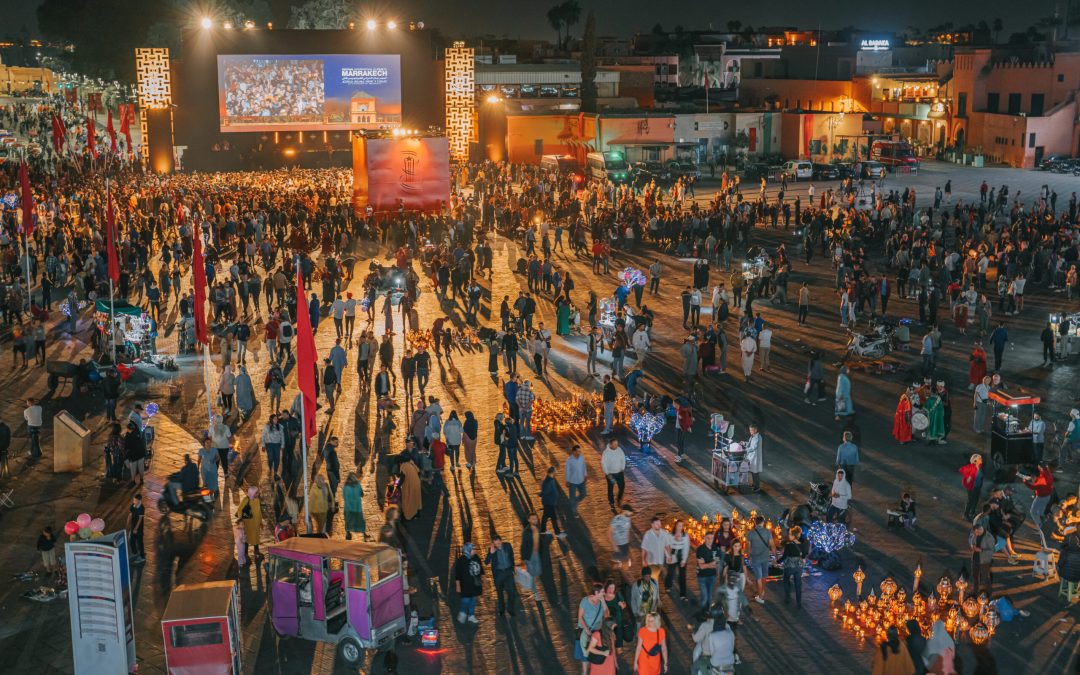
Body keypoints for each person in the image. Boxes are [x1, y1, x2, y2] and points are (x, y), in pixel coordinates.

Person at [576, 582, 610, 672]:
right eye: (602, 592)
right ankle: (584, 672)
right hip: (585, 630)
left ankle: (592, 671)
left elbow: (607, 615)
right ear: (596, 593)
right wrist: (586, 629)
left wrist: (603, 602)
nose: (604, 594)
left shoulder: (601, 602)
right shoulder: (585, 601)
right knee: (585, 653)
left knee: (593, 652)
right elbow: (580, 617)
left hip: (596, 632)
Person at [485, 533, 517, 616]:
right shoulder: (492, 550)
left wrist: (513, 568)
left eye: (498, 543)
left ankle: (510, 608)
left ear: (501, 541)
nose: (498, 546)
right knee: (500, 593)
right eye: (495, 544)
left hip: (508, 572)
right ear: (493, 544)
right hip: (498, 574)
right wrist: (491, 553)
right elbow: (486, 562)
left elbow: (511, 556)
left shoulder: (508, 546)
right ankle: (501, 610)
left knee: (512, 592)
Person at [454, 541, 483, 625]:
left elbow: (480, 567)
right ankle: (463, 612)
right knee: (466, 600)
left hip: (475, 584)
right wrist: (458, 585)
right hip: (465, 585)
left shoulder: (476, 557)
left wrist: (483, 576)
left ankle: (471, 615)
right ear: (468, 550)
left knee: (473, 600)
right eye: (472, 549)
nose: (474, 550)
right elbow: (458, 574)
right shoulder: (461, 560)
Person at [747, 515, 774, 604]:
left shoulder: (750, 533)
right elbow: (772, 545)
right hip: (765, 557)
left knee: (758, 577)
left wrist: (749, 557)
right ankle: (762, 591)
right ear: (763, 522)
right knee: (764, 576)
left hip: (755, 558)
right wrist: (775, 557)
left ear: (755, 522)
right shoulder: (768, 532)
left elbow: (748, 547)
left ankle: (760, 596)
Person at [235, 485, 263, 563]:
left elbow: (259, 511)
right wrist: (241, 521)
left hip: (256, 523)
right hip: (248, 524)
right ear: (252, 493)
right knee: (247, 538)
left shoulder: (257, 500)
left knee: (256, 537)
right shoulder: (246, 500)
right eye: (257, 493)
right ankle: (245, 553)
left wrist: (260, 522)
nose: (258, 494)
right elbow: (240, 509)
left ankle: (256, 550)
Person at [695, 531, 720, 611]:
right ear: (705, 538)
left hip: (712, 575)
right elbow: (701, 567)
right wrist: (711, 564)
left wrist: (708, 564)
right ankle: (702, 612)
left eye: (712, 538)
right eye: (708, 538)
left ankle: (708, 611)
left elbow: (717, 562)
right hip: (702, 576)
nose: (710, 540)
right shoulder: (700, 549)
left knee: (710, 596)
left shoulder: (715, 548)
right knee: (704, 596)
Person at [779, 526, 804, 607]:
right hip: (799, 567)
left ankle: (787, 598)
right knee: (798, 584)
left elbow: (784, 557)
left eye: (790, 534)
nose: (788, 535)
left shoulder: (788, 545)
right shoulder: (802, 545)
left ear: (793, 536)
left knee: (786, 581)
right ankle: (799, 602)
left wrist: (777, 562)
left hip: (789, 566)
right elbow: (804, 555)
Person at [666, 519, 690, 600]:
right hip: (672, 554)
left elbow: (686, 548)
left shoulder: (685, 536)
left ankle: (683, 594)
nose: (681, 527)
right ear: (676, 526)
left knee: (682, 575)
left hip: (681, 555)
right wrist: (668, 556)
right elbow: (667, 546)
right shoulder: (670, 535)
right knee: (670, 572)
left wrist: (684, 560)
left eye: (682, 526)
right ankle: (668, 585)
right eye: (679, 525)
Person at [602, 439, 626, 509]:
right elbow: (603, 463)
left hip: (619, 473)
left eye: (617, 444)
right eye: (615, 444)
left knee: (622, 487)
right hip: (610, 474)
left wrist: (622, 468)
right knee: (610, 489)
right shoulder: (606, 452)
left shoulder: (619, 450)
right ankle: (611, 502)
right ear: (610, 444)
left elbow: (623, 459)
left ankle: (618, 499)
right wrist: (607, 473)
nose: (616, 445)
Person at [959, 453, 984, 521]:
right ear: (975, 460)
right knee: (970, 500)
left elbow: (981, 477)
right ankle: (965, 515)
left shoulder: (980, 467)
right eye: (980, 459)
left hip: (977, 487)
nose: (981, 460)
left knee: (975, 500)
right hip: (972, 487)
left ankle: (972, 512)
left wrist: (980, 484)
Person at [342, 472, 366, 541]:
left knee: (348, 521)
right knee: (360, 521)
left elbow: (344, 496)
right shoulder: (358, 485)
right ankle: (364, 533)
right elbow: (362, 494)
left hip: (348, 508)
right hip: (357, 508)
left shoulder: (345, 486)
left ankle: (348, 533)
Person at [565, 444, 587, 515]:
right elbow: (567, 471)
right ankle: (574, 511)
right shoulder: (569, 460)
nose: (579, 453)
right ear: (574, 452)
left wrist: (585, 475)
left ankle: (574, 501)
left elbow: (584, 466)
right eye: (578, 451)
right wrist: (567, 480)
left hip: (581, 480)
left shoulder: (581, 458)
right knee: (572, 496)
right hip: (572, 482)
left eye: (580, 451)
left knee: (583, 494)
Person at [610, 502, 633, 568]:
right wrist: (615, 546)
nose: (630, 515)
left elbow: (627, 530)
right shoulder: (616, 520)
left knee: (625, 562)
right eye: (629, 513)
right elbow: (609, 533)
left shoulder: (628, 519)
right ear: (624, 512)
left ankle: (623, 568)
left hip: (625, 544)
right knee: (617, 564)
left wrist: (628, 542)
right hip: (618, 545)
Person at [398, 456, 421, 521]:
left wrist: (398, 486)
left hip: (411, 485)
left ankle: (408, 516)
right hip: (417, 482)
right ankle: (417, 514)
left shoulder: (403, 466)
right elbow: (418, 471)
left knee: (408, 500)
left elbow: (402, 478)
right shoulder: (411, 462)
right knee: (417, 499)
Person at [127, 493, 145, 564]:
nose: (133, 501)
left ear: (139, 501)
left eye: (135, 500)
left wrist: (136, 529)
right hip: (133, 527)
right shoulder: (132, 506)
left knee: (140, 543)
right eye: (133, 500)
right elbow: (130, 515)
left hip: (139, 529)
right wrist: (127, 524)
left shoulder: (141, 508)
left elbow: (140, 519)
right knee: (132, 541)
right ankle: (135, 553)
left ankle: (142, 557)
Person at [745, 424, 763, 492]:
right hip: (752, 457)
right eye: (750, 430)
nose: (751, 431)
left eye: (752, 430)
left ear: (756, 430)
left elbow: (753, 447)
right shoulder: (753, 436)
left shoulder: (757, 437)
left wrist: (745, 450)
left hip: (755, 458)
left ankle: (757, 487)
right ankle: (754, 484)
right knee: (753, 472)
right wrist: (744, 443)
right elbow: (750, 444)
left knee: (755, 473)